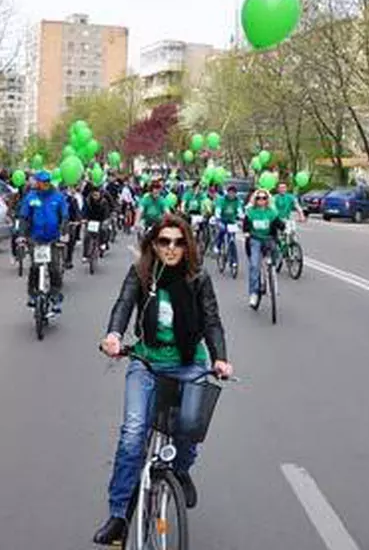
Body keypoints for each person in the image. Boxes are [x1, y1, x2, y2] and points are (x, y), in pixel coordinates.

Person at [93, 214, 234, 545]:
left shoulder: (198, 277)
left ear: (188, 245)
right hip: (146, 362)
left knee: (189, 428)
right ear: (153, 245)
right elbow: (124, 304)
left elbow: (212, 320)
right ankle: (118, 516)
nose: (172, 248)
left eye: (179, 242)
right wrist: (113, 335)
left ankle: (180, 470)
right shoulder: (141, 273)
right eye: (164, 241)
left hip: (189, 363)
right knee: (133, 434)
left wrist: (220, 357)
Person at [18, 172, 69, 312]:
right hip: (35, 238)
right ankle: (32, 294)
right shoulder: (31, 197)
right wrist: (21, 235)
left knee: (54, 268)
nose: (43, 184)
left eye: (46, 182)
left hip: (53, 238)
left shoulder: (58, 197)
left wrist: (64, 233)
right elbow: (23, 217)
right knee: (35, 267)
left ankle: (55, 296)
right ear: (37, 183)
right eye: (41, 182)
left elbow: (64, 216)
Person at [243, 189, 285, 309]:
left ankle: (271, 272)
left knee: (276, 253)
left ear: (267, 200)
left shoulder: (271, 212)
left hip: (268, 239)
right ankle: (254, 293)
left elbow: (279, 224)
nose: (261, 200)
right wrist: (246, 232)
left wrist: (284, 228)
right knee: (254, 266)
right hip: (255, 240)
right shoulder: (250, 212)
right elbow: (246, 226)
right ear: (255, 200)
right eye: (259, 198)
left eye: (264, 198)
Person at [214, 185, 243, 269]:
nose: (231, 194)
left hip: (232, 221)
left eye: (233, 193)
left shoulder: (237, 201)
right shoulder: (222, 200)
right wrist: (218, 217)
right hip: (222, 220)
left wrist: (241, 217)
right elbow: (218, 209)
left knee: (232, 240)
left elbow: (239, 210)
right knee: (222, 230)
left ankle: (233, 261)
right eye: (230, 192)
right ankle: (218, 246)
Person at [83, 186, 112, 260]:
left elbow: (106, 213)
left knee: (103, 229)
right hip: (90, 220)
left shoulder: (104, 202)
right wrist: (84, 219)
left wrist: (105, 220)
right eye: (94, 195)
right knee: (86, 236)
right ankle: (85, 255)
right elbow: (84, 211)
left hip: (101, 220)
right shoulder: (88, 201)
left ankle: (103, 243)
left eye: (96, 195)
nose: (95, 197)